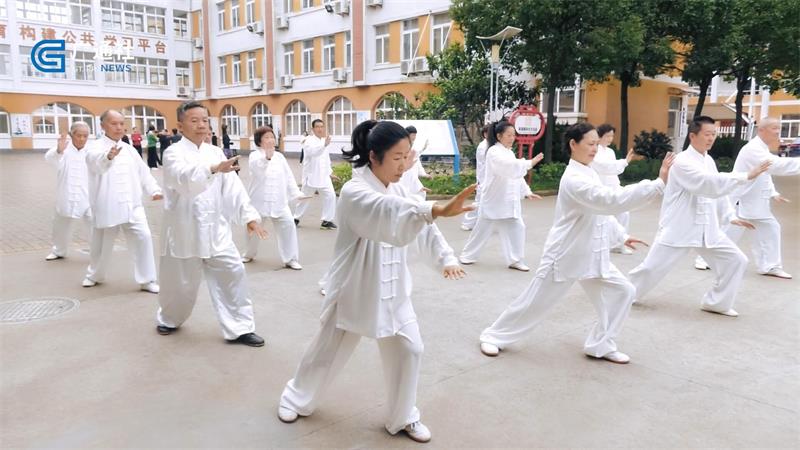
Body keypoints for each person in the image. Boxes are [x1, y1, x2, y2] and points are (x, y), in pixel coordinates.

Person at [278, 120, 475, 443]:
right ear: (374, 157)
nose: (403, 164)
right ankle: (294, 399)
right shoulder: (355, 191)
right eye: (397, 157)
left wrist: (446, 259)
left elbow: (421, 222)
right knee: (327, 352)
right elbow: (390, 212)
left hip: (395, 290)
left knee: (411, 349)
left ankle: (403, 416)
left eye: (407, 156)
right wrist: (434, 208)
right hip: (355, 288)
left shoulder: (401, 189)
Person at [478, 122, 673, 364]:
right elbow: (609, 200)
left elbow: (599, 212)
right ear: (573, 144)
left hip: (592, 253)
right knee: (535, 302)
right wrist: (657, 184)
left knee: (624, 291)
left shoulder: (589, 172)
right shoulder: (574, 179)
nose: (594, 149)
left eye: (596, 144)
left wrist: (621, 236)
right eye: (590, 144)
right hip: (565, 254)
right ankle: (494, 336)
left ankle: (601, 344)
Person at [628, 116, 771, 317]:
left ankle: (717, 303)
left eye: (714, 134)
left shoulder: (708, 160)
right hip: (680, 227)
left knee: (736, 260)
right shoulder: (681, 162)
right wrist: (746, 175)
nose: (712, 138)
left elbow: (718, 192)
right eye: (707, 134)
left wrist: (730, 215)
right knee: (651, 268)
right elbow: (707, 184)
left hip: (707, 228)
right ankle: (625, 295)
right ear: (693, 135)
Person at [156, 101, 268, 347]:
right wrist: (213, 169)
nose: (201, 125)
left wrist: (249, 217)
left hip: (216, 229)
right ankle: (170, 318)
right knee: (181, 284)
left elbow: (233, 188)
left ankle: (240, 328)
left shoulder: (216, 152)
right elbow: (183, 180)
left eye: (204, 120)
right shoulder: (173, 153)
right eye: (194, 120)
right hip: (185, 230)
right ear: (181, 125)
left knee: (233, 273)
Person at [694, 117, 800, 278]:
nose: (778, 131)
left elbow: (765, 174)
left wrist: (773, 193)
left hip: (755, 203)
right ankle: (704, 258)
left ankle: (769, 266)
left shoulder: (762, 149)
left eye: (779, 128)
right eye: (774, 128)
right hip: (741, 201)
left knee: (770, 229)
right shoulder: (753, 149)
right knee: (728, 233)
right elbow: (775, 166)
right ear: (761, 130)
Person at [83, 110, 162, 293]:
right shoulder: (94, 147)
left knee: (144, 237)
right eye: (114, 123)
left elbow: (143, 172)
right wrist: (108, 157)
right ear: (103, 126)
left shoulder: (129, 149)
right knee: (102, 244)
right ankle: (94, 275)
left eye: (121, 123)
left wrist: (154, 189)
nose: (119, 127)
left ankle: (147, 279)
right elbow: (95, 163)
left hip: (132, 204)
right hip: (107, 204)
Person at [459, 120, 544, 271]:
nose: (512, 138)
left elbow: (516, 175)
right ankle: (467, 255)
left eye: (514, 135)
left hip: (508, 201)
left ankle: (515, 260)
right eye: (509, 135)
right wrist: (529, 163)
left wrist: (527, 191)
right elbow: (508, 168)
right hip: (494, 199)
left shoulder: (508, 152)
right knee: (481, 230)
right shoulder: (493, 152)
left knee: (518, 227)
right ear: (499, 136)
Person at [242, 126, 308, 269]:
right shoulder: (254, 156)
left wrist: (297, 193)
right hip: (258, 202)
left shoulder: (280, 157)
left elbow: (289, 177)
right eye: (266, 137)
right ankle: (249, 253)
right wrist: (267, 157)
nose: (271, 139)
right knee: (253, 230)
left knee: (288, 226)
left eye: (272, 137)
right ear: (259, 141)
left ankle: (290, 259)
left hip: (279, 202)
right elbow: (258, 168)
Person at [590, 124, 644, 254]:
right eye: (607, 136)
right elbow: (604, 167)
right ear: (600, 136)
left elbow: (613, 170)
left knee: (623, 213)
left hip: (613, 187)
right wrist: (624, 162)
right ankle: (607, 243)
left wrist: (623, 163)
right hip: (602, 189)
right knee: (605, 217)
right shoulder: (595, 151)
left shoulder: (610, 151)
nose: (610, 139)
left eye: (612, 136)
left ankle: (617, 243)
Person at [43, 122, 92, 261]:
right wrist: (58, 151)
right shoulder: (63, 149)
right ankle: (59, 250)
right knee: (60, 225)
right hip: (66, 194)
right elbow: (50, 159)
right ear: (71, 135)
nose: (82, 139)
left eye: (85, 136)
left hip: (87, 196)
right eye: (79, 135)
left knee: (94, 225)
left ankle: (97, 252)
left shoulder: (91, 151)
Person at [294, 119, 337, 230]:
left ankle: (326, 221)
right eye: (317, 127)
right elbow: (313, 153)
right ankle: (295, 218)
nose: (320, 129)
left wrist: (330, 173)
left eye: (322, 126)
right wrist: (323, 146)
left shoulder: (324, 140)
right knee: (305, 197)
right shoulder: (308, 141)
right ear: (313, 129)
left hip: (324, 176)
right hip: (311, 176)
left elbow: (326, 160)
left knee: (331, 196)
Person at [461, 124, 491, 231]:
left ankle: (486, 225)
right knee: (479, 203)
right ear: (485, 134)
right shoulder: (483, 146)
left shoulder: (490, 145)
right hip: (483, 180)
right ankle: (468, 223)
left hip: (488, 180)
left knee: (489, 203)